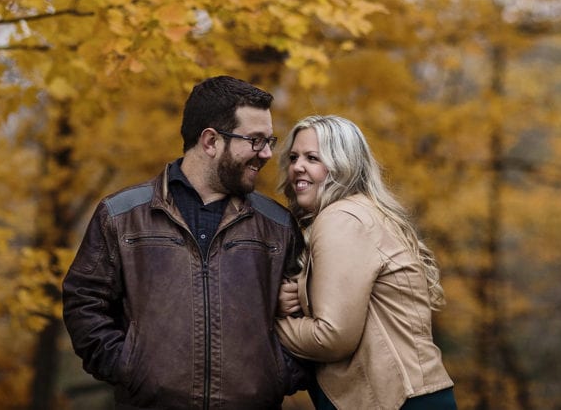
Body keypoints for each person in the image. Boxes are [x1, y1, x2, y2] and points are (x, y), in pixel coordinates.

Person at [62, 75, 309, 409]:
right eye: (254, 140)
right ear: (210, 141)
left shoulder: (277, 225)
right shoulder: (121, 215)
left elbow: (310, 310)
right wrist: (127, 367)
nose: (266, 153)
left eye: (269, 141)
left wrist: (280, 373)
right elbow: (84, 300)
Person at [275, 115, 456, 410]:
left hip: (395, 400)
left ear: (343, 165)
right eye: (294, 157)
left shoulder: (342, 219)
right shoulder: (363, 214)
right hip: (412, 395)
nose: (297, 167)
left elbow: (331, 336)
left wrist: (269, 322)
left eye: (312, 158)